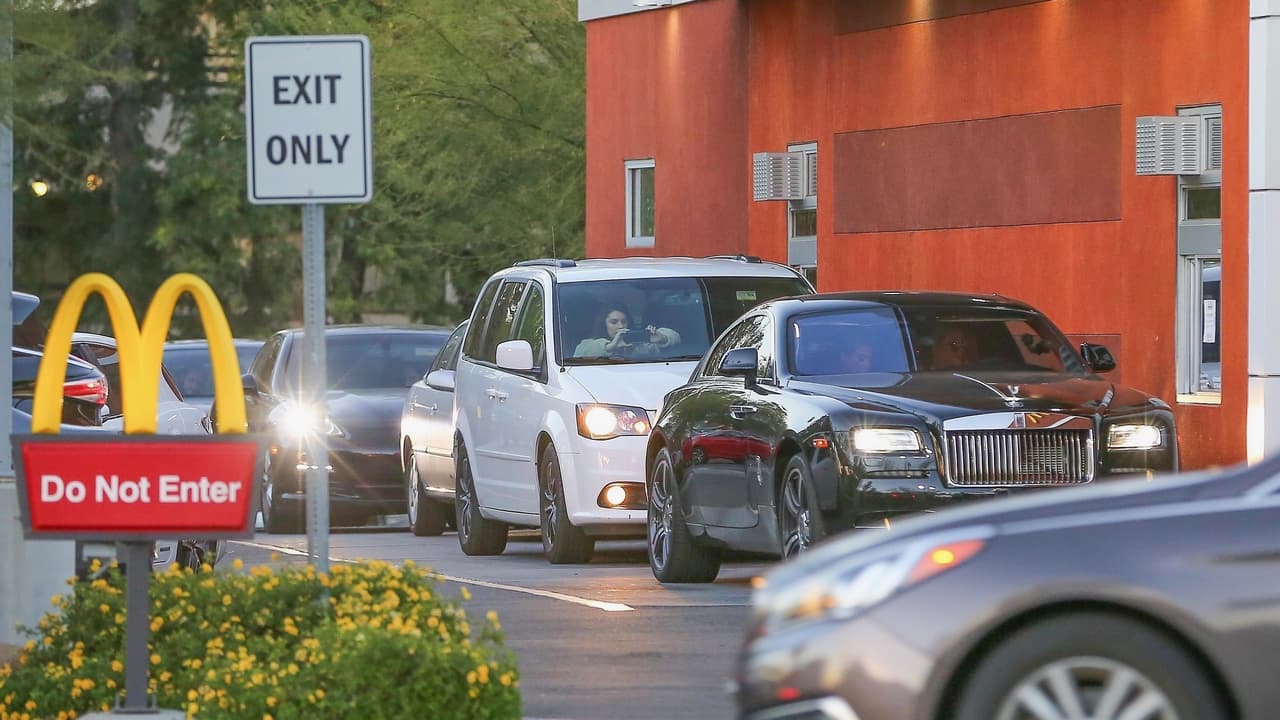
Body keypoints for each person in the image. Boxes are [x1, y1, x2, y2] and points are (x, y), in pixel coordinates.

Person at [574, 304, 680, 357]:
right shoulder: (588, 344)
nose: (620, 326)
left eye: (624, 321)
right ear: (603, 324)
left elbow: (676, 339)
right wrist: (610, 347)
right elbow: (580, 353)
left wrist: (662, 339)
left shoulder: (638, 346)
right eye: (614, 322)